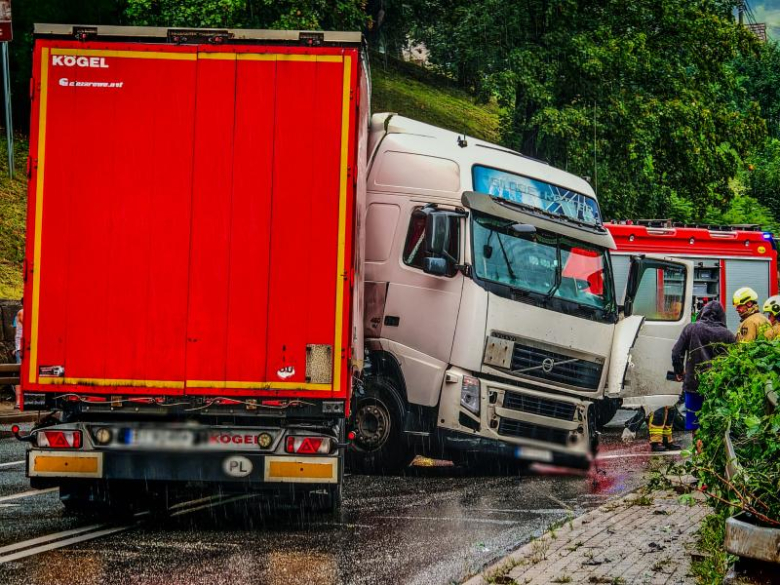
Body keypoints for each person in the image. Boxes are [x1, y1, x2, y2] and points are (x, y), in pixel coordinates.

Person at [671, 300, 735, 432]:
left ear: (703, 313)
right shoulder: (728, 335)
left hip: (693, 385)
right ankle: (710, 451)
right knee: (716, 425)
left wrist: (679, 371)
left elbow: (676, 352)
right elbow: (734, 362)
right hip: (718, 387)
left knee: (695, 425)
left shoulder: (691, 328)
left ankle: (698, 450)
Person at [13, 298, 23, 409]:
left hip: (20, 347)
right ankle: (18, 401)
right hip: (22, 348)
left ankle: (20, 400)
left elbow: (17, 332)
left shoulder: (18, 315)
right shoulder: (22, 312)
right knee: (20, 375)